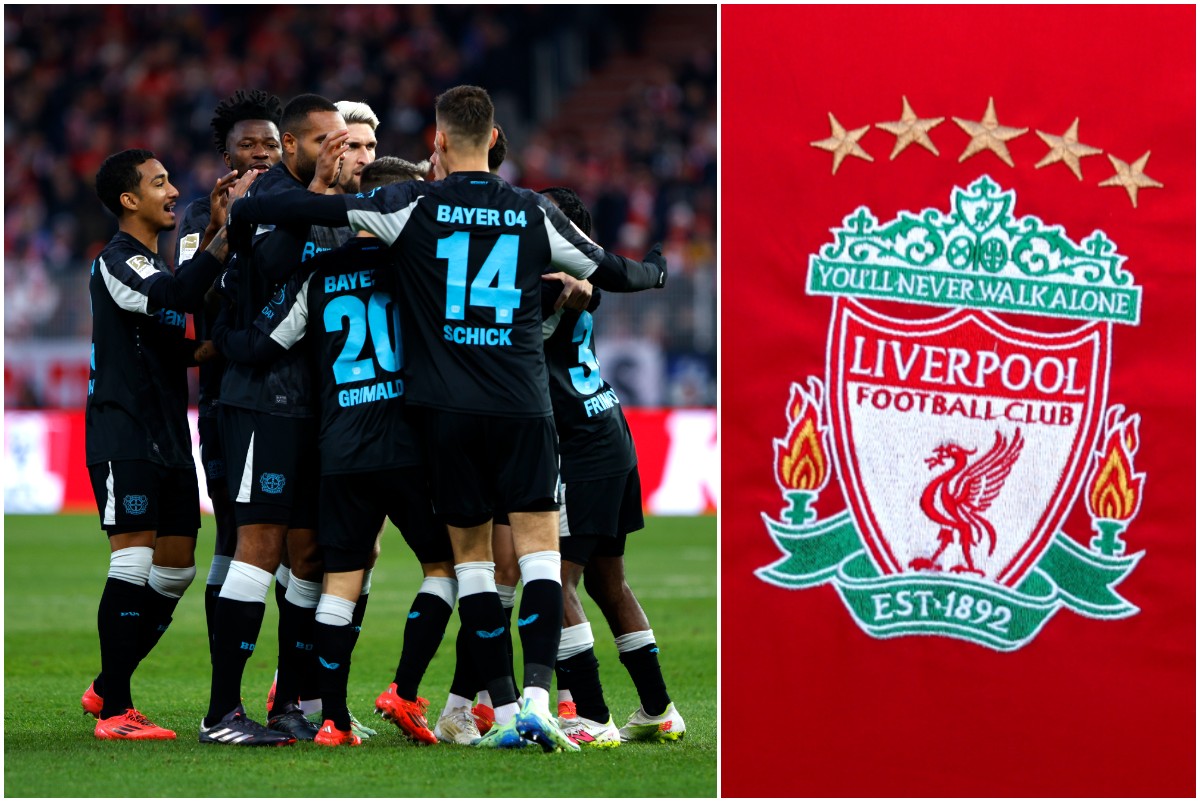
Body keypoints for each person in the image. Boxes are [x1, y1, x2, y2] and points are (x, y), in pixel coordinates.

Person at [225, 84, 667, 752]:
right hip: (520, 407)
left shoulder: (409, 206)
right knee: (538, 559)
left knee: (468, 569)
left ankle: (419, 709)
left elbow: (285, 216)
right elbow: (614, 271)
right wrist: (658, 271)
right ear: (494, 140)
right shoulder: (530, 211)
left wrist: (301, 189)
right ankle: (538, 701)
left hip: (436, 419)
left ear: (435, 141)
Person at [212, 156, 454, 747]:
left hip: (339, 450)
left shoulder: (318, 273)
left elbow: (262, 342)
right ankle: (406, 687)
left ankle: (332, 720)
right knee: (449, 567)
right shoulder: (421, 268)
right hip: (404, 447)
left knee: (337, 581)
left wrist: (218, 335)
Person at [82, 148, 251, 739]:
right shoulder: (119, 261)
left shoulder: (152, 267)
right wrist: (223, 235)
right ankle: (116, 709)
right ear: (130, 201)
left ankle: (107, 682)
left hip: (167, 437)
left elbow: (174, 345)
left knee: (176, 569)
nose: (174, 190)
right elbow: (179, 297)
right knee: (132, 560)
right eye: (160, 183)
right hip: (122, 431)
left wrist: (233, 345)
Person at [200, 93, 349, 746]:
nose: (338, 152)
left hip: (315, 405)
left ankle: (290, 700)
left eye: (345, 141)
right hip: (263, 399)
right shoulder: (258, 208)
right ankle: (222, 713)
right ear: (294, 146)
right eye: (326, 142)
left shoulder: (319, 206)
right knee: (255, 547)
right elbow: (261, 283)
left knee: (309, 555)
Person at [538, 186, 686, 747]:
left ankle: (593, 716)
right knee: (609, 582)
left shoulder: (550, 283)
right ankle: (658, 709)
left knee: (555, 580)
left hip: (578, 446)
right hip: (611, 432)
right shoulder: (579, 282)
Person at [174, 89, 283, 663]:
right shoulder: (200, 215)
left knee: (300, 543)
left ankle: (300, 692)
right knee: (236, 533)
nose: (262, 153)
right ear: (228, 156)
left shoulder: (297, 207)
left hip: (295, 398)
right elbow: (202, 301)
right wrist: (226, 230)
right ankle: (227, 683)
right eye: (249, 144)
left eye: (270, 142)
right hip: (226, 398)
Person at [333, 100, 379, 195]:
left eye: (370, 146)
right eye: (352, 146)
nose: (366, 161)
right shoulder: (297, 206)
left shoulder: (387, 207)